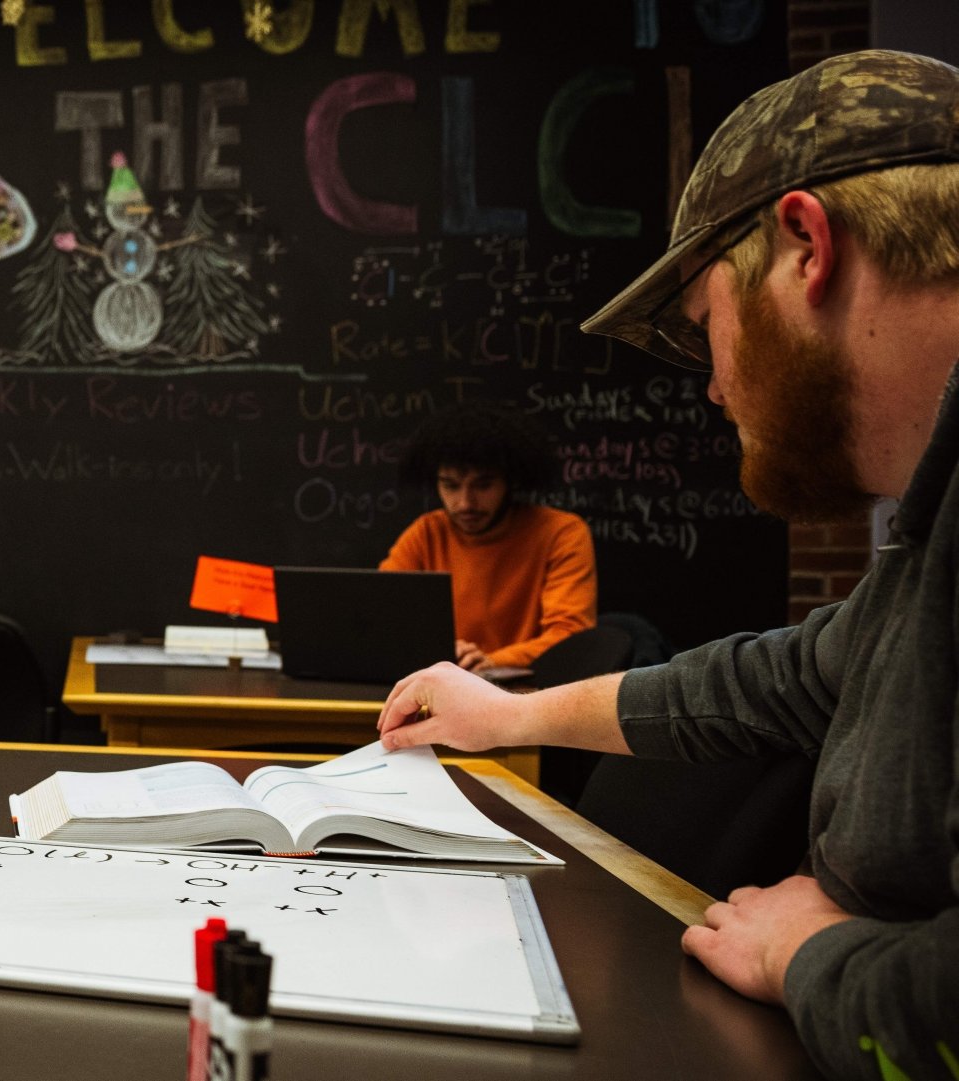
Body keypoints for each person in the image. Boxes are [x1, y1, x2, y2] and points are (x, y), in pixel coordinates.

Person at [376, 51, 959, 1081]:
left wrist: (810, 951)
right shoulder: (929, 538)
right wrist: (507, 717)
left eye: (706, 330)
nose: (716, 389)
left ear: (805, 246)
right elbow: (773, 679)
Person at [379, 405, 596, 672]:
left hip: (528, 695)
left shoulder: (561, 532)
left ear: (511, 481)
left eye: (483, 485)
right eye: (450, 485)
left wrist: (492, 662)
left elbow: (570, 634)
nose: (465, 503)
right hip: (440, 689)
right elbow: (381, 615)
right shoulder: (426, 533)